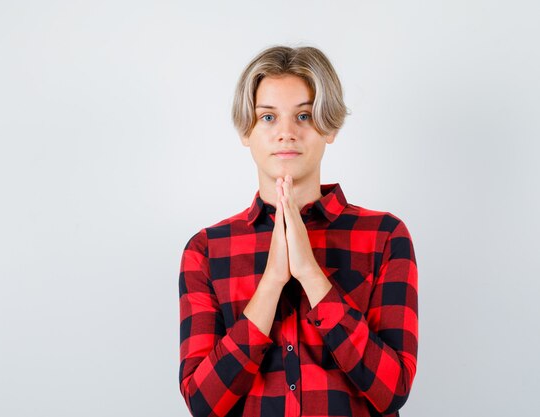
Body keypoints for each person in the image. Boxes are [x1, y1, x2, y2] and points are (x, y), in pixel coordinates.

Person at [178, 45, 418, 417]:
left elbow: (393, 389)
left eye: (303, 115)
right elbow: (203, 402)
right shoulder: (207, 250)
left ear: (330, 127)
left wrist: (310, 274)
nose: (286, 133)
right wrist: (272, 282)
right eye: (269, 118)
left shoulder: (385, 236)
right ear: (247, 131)